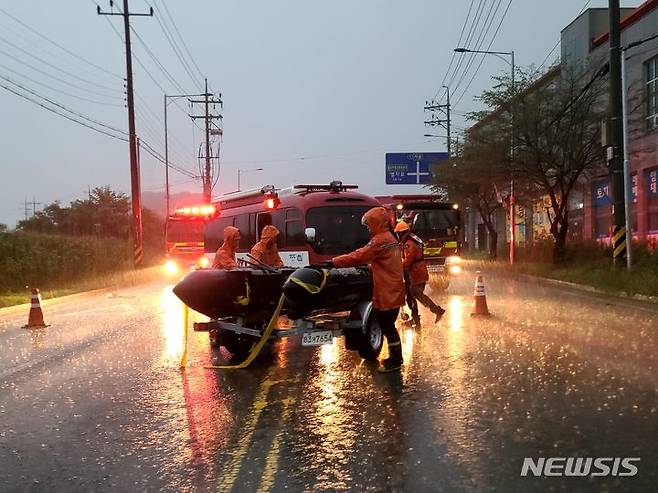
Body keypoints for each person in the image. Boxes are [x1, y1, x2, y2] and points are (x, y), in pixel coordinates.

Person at [330, 207, 406, 373]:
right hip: (393, 287)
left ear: (376, 223)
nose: (368, 228)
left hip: (387, 290)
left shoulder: (379, 240)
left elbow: (359, 255)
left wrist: (334, 262)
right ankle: (396, 357)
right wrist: (372, 267)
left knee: (387, 326)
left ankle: (396, 359)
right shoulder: (390, 237)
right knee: (388, 325)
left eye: (369, 225)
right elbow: (387, 263)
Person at [394, 221, 445, 327]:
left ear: (401, 233)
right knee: (412, 296)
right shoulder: (411, 240)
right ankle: (419, 317)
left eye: (398, 233)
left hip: (416, 273)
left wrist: (396, 267)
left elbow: (408, 260)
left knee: (414, 295)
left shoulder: (409, 244)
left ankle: (430, 313)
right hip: (418, 272)